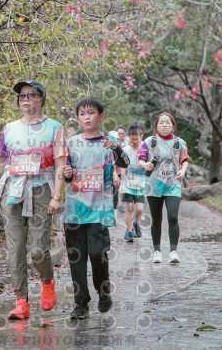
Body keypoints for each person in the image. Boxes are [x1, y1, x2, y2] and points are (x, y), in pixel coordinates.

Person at [0, 80, 65, 320]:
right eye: (22, 96)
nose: (25, 99)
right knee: (15, 248)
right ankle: (21, 301)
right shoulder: (10, 128)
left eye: (32, 95)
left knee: (37, 250)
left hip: (41, 188)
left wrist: (57, 197)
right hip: (12, 189)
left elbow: (60, 165)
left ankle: (47, 282)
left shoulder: (55, 128)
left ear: (42, 100)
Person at [63, 97, 130, 319]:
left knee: (97, 254)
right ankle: (80, 303)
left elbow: (125, 163)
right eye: (82, 114)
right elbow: (67, 172)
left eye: (91, 113)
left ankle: (103, 292)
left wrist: (117, 148)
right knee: (76, 258)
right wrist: (67, 174)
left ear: (101, 117)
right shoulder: (72, 142)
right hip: (74, 209)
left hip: (100, 209)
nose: (87, 117)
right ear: (77, 119)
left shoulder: (110, 142)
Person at [138, 112, 189, 264]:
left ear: (173, 126)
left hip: (173, 185)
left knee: (173, 216)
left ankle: (173, 252)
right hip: (154, 185)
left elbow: (184, 160)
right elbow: (141, 158)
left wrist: (182, 171)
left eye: (167, 122)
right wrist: (145, 164)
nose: (164, 125)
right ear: (156, 126)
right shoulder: (149, 141)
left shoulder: (180, 142)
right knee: (156, 218)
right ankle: (157, 252)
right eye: (161, 122)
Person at [121, 123, 147, 242]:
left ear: (141, 136)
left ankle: (136, 223)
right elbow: (123, 167)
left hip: (141, 184)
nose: (134, 141)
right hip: (128, 184)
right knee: (129, 208)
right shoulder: (126, 150)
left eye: (136, 139)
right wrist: (122, 183)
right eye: (132, 139)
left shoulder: (145, 149)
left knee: (140, 209)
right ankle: (129, 231)